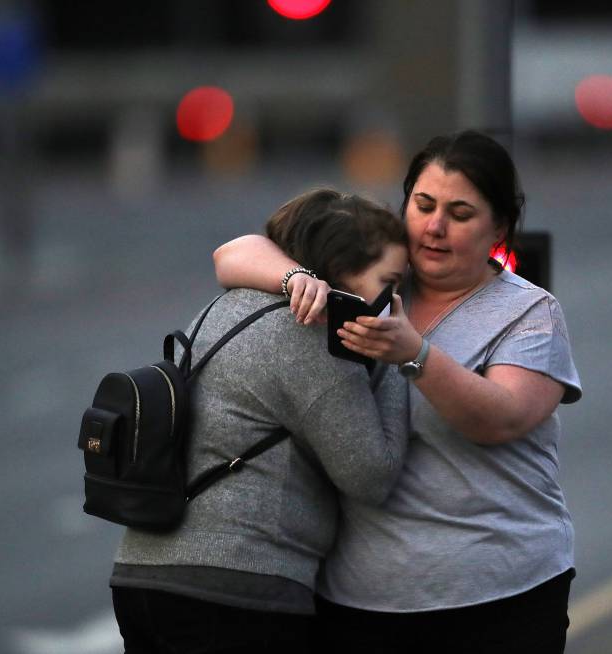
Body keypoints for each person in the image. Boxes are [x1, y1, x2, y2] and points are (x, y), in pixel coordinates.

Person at [212, 130, 583, 653]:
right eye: (424, 204)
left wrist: (416, 354)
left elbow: (502, 418)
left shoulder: (530, 312)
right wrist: (295, 277)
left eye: (460, 213)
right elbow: (235, 253)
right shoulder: (372, 278)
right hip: (359, 603)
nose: (435, 227)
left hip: (501, 595)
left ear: (498, 227)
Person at [110, 188, 411, 654]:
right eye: (389, 283)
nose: (394, 301)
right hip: (234, 591)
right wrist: (395, 359)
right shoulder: (309, 339)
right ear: (341, 273)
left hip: (142, 575)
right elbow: (372, 474)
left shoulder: (224, 307)